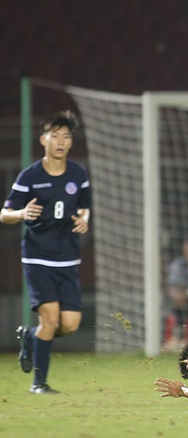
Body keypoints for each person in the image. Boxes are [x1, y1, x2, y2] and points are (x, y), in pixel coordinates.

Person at [1, 110, 91, 394]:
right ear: (44, 139)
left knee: (69, 324)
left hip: (68, 258)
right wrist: (22, 213)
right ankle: (39, 383)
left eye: (66, 136)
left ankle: (30, 336)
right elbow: (4, 214)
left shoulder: (78, 174)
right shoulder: (30, 176)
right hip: (37, 258)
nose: (61, 141)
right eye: (55, 136)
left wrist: (84, 220)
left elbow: (85, 207)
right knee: (50, 319)